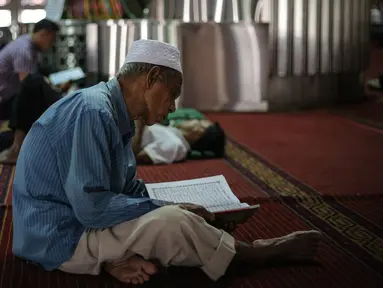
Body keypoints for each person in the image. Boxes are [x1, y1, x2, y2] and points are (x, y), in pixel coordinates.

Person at [12, 39, 322, 285]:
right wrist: (165, 208)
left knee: (172, 215)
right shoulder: (96, 112)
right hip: (57, 237)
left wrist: (196, 208)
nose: (173, 107)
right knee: (171, 223)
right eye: (171, 94)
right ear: (151, 78)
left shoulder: (115, 115)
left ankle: (112, 259)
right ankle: (252, 254)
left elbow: (126, 189)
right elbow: (92, 209)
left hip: (74, 223)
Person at [0, 19, 60, 163]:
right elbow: (27, 86)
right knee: (33, 90)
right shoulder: (24, 50)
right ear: (45, 34)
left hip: (10, 97)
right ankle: (16, 148)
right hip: (4, 101)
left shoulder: (28, 43)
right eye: (52, 40)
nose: (52, 45)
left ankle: (22, 143)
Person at [133, 109, 226, 165]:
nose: (193, 120)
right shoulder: (173, 132)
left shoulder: (175, 145)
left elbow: (133, 158)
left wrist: (139, 119)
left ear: (198, 131)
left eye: (198, 121)